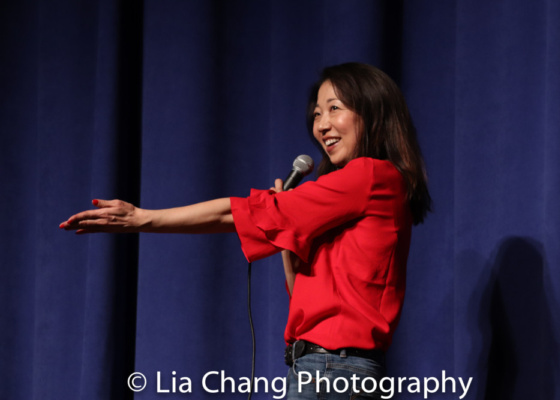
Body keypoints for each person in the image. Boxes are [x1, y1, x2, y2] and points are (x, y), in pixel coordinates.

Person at [60, 62, 431, 399]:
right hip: (322, 369)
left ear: (373, 110)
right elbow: (300, 286)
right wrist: (288, 228)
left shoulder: (370, 175)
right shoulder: (354, 192)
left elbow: (237, 213)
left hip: (333, 371)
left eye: (335, 108)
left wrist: (144, 218)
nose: (321, 125)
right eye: (317, 113)